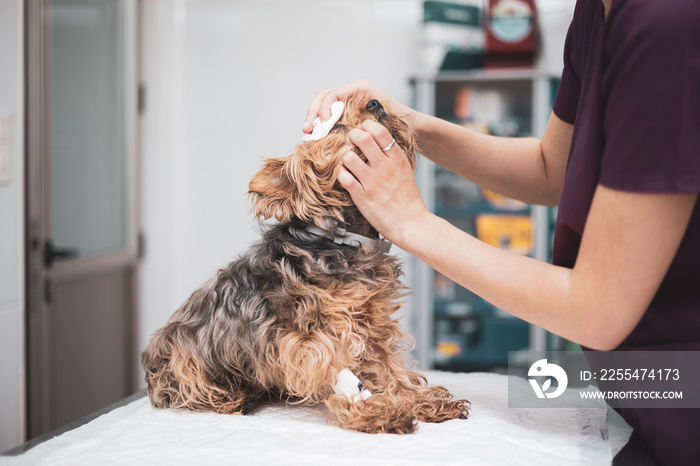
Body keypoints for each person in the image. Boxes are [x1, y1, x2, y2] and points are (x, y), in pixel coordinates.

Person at [302, 0, 699, 464]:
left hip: (681, 386)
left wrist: (412, 222)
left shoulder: (670, 25)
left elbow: (598, 312)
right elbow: (551, 168)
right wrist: (402, 120)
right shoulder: (596, 11)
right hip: (642, 381)